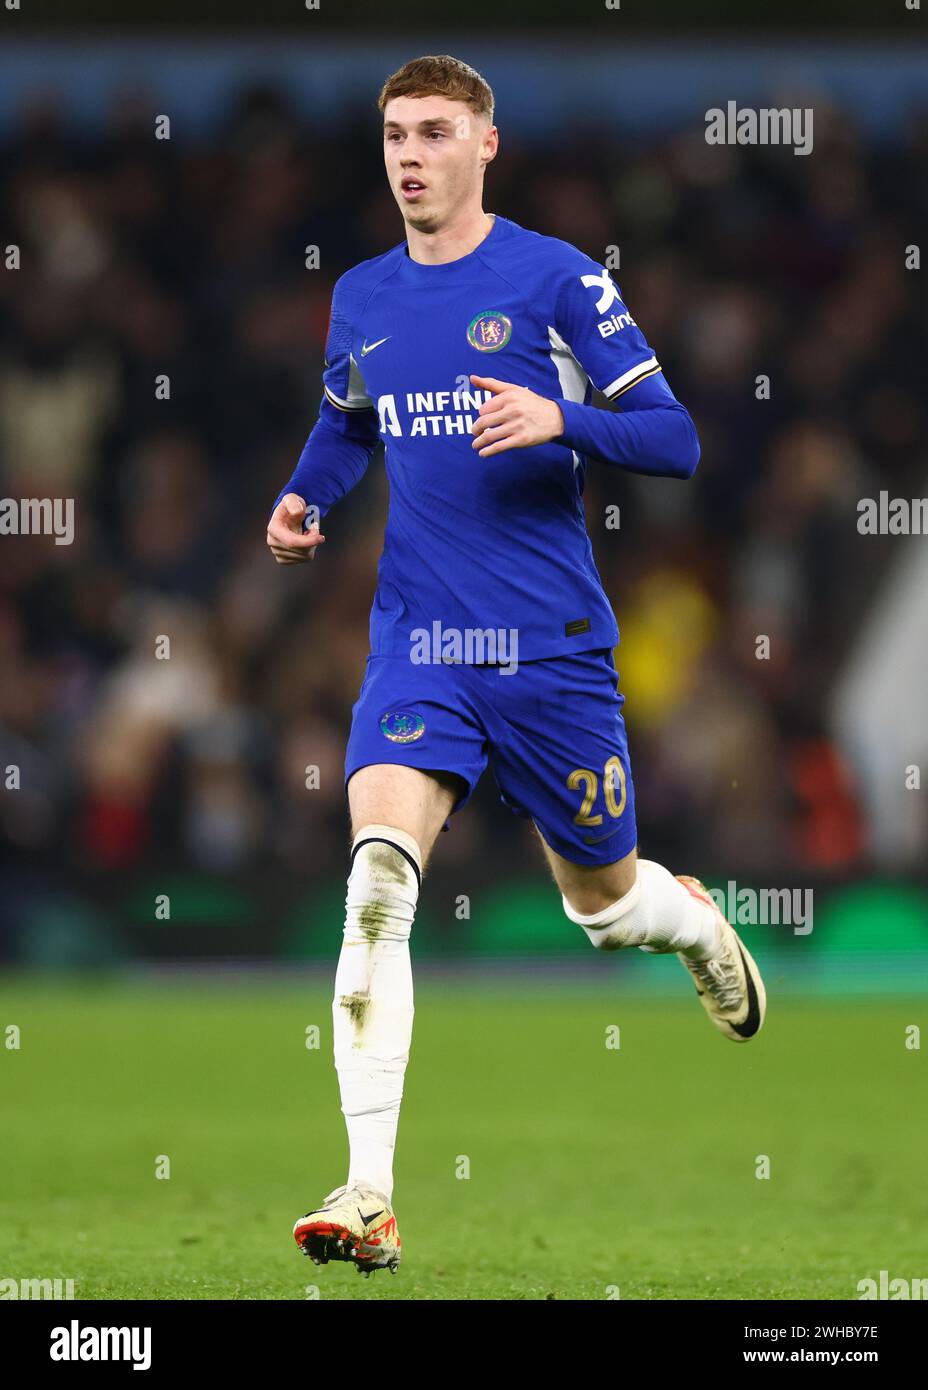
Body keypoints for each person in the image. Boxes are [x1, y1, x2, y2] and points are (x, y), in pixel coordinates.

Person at [266, 54, 765, 1278]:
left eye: (436, 132)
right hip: (422, 643)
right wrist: (301, 496)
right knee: (378, 881)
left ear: (487, 145)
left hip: (552, 654)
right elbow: (344, 426)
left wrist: (562, 416)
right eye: (393, 133)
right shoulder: (364, 296)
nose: (409, 154)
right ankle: (369, 1192)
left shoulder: (556, 279)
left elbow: (675, 437)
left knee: (602, 912)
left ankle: (693, 925)